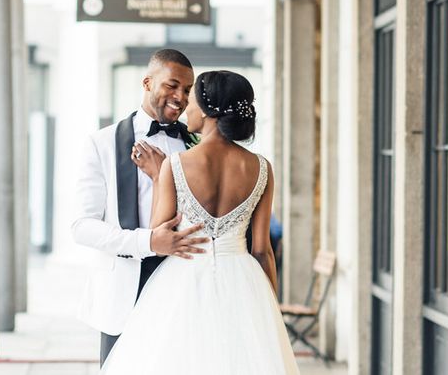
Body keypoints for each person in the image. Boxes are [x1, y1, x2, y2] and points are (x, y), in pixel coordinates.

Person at [101, 70, 300, 374]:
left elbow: (160, 235)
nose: (186, 108)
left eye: (192, 100)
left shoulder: (175, 165)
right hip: (245, 280)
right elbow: (262, 250)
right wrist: (269, 307)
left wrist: (157, 176)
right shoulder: (262, 168)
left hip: (183, 279)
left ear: (209, 111)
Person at [71, 49, 209, 366]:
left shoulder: (197, 146)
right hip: (122, 292)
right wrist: (147, 242)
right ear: (147, 82)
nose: (181, 97)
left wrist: (163, 177)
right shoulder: (101, 143)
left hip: (181, 286)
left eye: (187, 90)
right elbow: (82, 226)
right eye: (172, 85)